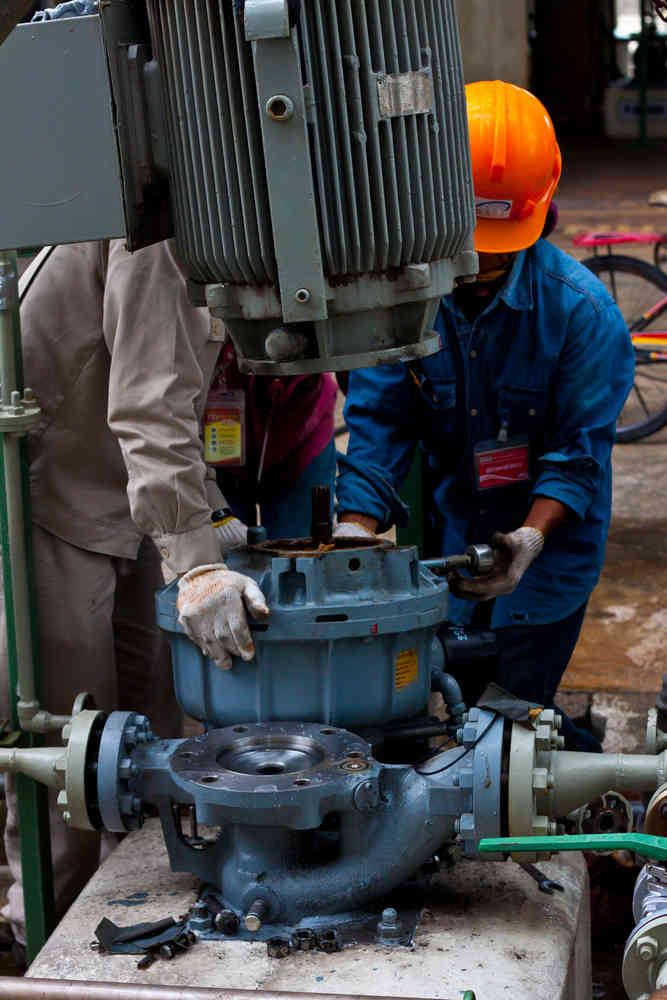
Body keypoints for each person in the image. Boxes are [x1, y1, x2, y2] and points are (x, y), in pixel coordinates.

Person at [0, 238, 336, 958]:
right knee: (74, 761)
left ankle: (135, 930)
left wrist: (209, 516)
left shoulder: (214, 215)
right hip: (50, 498)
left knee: (151, 745)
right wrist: (195, 562)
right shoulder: (161, 230)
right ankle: (44, 954)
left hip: (117, 497)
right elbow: (151, 405)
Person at [334, 81, 634, 752]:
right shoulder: (410, 304)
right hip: (452, 536)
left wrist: (526, 541)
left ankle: (579, 774)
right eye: (471, 239)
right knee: (456, 707)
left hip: (547, 563)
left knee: (514, 731)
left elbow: (577, 456)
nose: (481, 260)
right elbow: (380, 422)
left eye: (499, 242)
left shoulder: (582, 316)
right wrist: (354, 532)